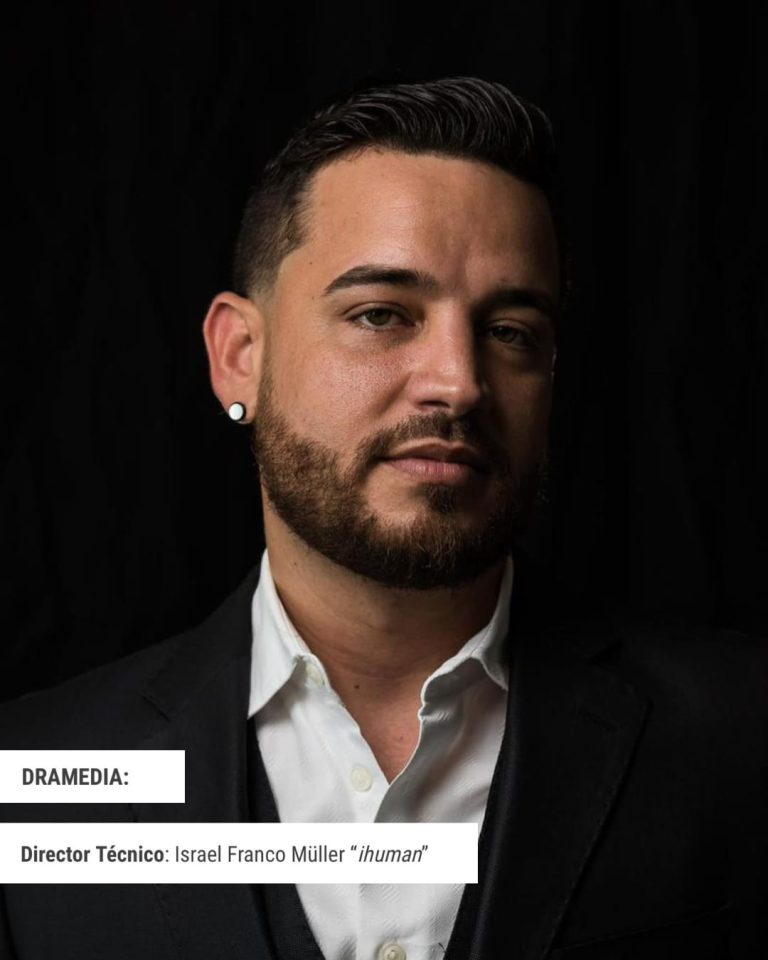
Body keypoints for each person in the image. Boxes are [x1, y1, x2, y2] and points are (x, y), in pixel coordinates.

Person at [0, 76, 765, 959]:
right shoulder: (37, 784)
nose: (459, 383)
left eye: (511, 331)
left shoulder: (741, 738)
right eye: (380, 315)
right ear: (240, 357)